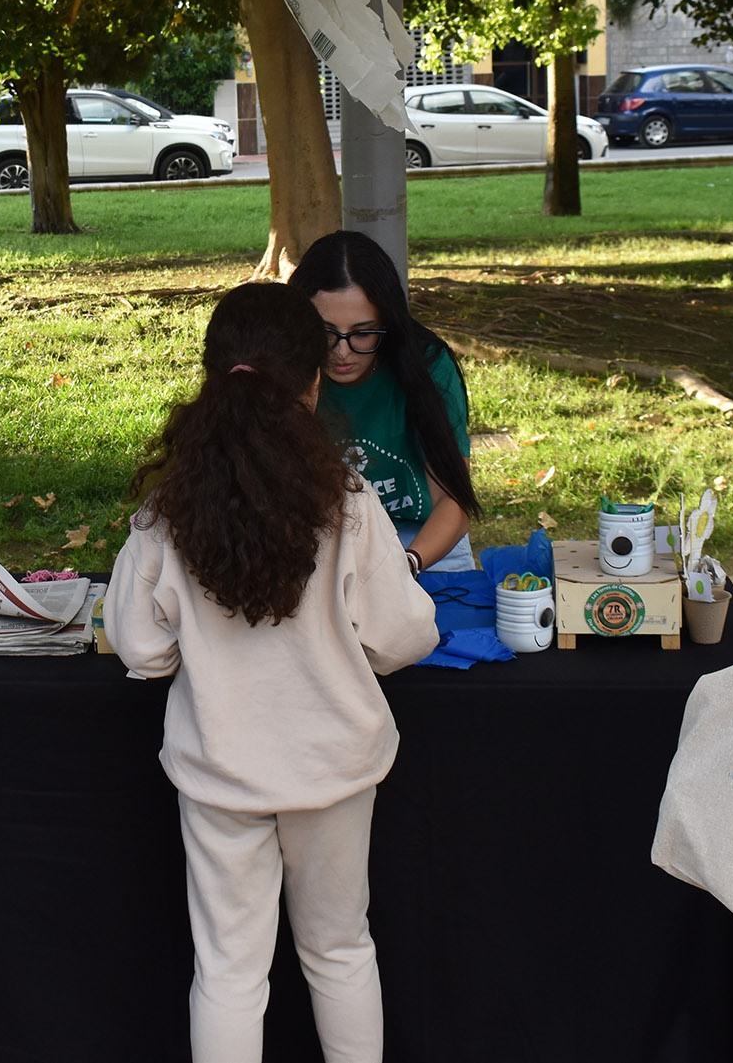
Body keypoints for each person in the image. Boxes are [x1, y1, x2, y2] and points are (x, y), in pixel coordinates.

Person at [107, 283, 440, 1063]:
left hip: (221, 773)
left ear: (212, 374)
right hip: (335, 767)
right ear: (314, 381)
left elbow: (139, 648)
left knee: (227, 970)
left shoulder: (167, 512)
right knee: (341, 948)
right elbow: (401, 635)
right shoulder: (349, 504)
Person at [289, 230, 483, 573]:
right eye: (325, 332)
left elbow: (454, 500)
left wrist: (405, 566)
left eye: (363, 333)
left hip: (421, 543)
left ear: (389, 323)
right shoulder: (286, 368)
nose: (342, 351)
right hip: (316, 543)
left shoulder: (429, 367)